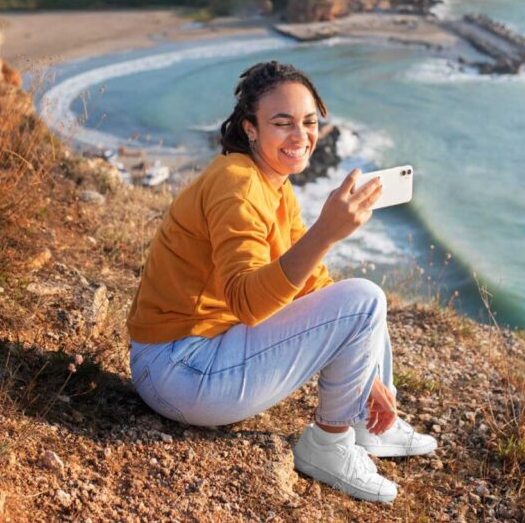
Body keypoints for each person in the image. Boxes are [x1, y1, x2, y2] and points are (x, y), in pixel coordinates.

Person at [126, 60, 437, 503]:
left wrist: (367, 374)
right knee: (364, 299)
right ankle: (327, 446)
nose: (301, 136)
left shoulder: (272, 181)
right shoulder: (237, 187)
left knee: (357, 301)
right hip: (179, 371)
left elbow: (315, 287)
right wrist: (326, 231)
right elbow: (248, 304)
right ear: (250, 128)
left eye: (309, 122)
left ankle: (371, 425)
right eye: (282, 123)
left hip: (200, 353)